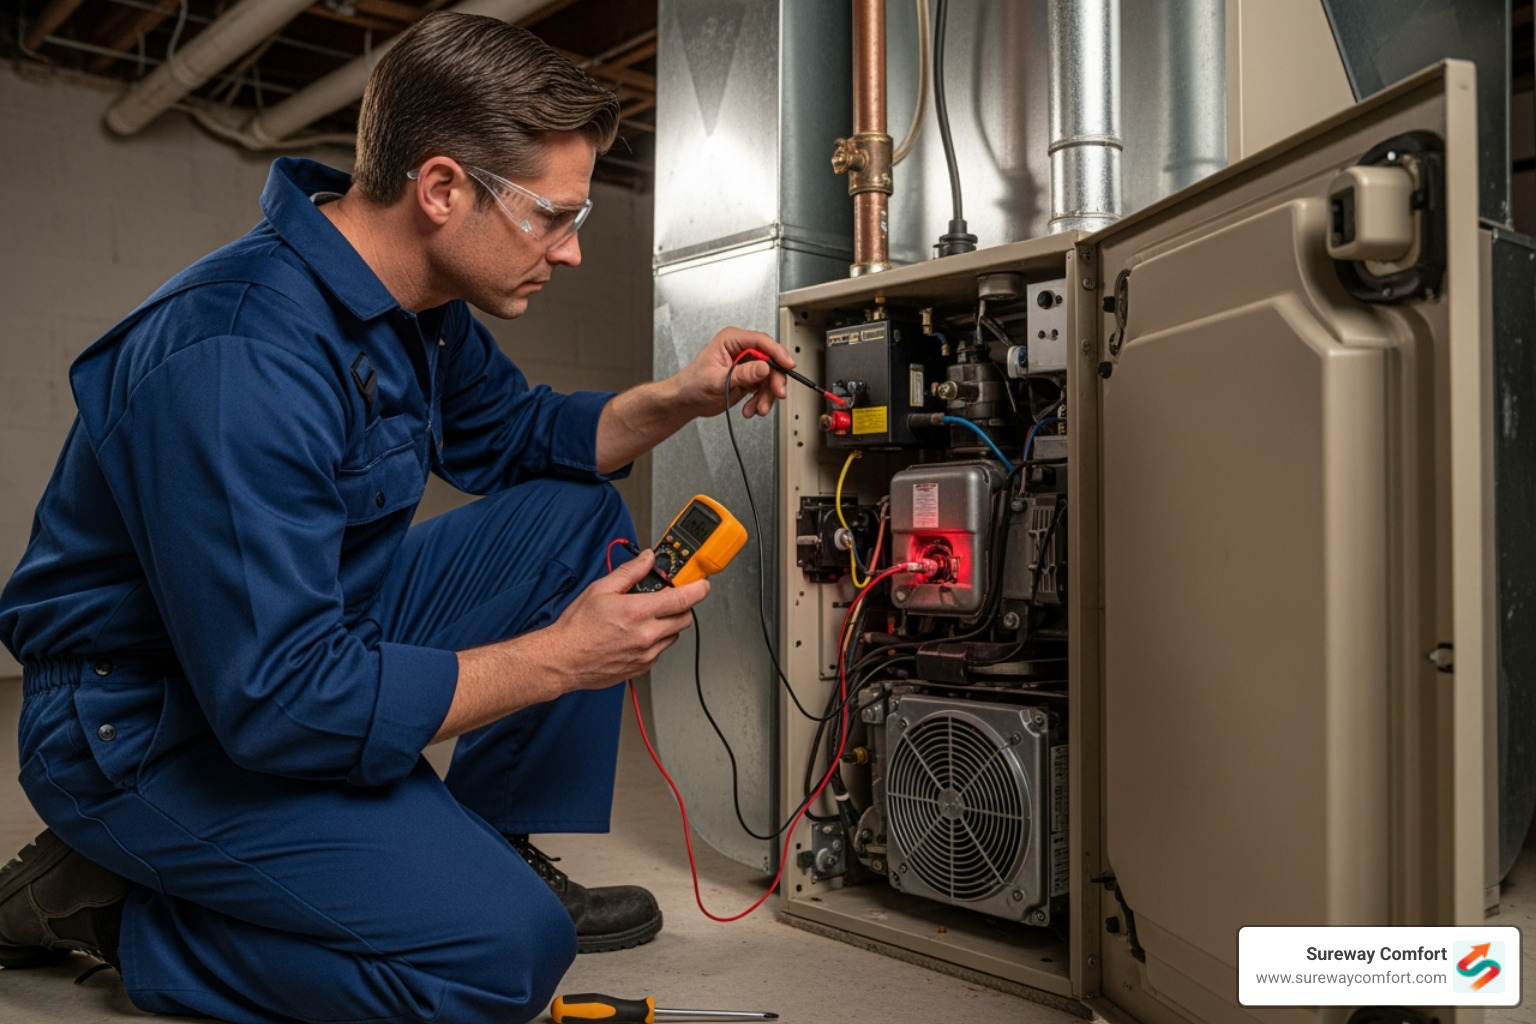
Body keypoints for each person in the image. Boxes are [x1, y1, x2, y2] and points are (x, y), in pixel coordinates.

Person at [0, 12, 793, 1024]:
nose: (574, 251)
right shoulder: (241, 357)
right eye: (554, 216)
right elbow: (280, 700)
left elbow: (523, 436)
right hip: (145, 723)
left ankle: (474, 847)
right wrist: (562, 656)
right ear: (444, 188)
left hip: (292, 643)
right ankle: (115, 913)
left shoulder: (414, 307)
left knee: (570, 514)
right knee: (506, 957)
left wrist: (680, 396)